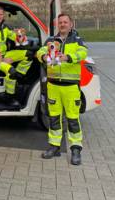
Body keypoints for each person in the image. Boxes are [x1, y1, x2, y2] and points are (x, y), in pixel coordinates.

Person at [36, 13, 88, 165]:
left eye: (65, 22)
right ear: (57, 25)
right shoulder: (51, 40)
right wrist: (44, 57)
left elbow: (83, 53)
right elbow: (39, 51)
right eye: (60, 22)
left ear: (71, 24)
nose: (63, 24)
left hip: (70, 86)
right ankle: (54, 146)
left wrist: (68, 57)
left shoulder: (77, 40)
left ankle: (76, 149)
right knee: (54, 118)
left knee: (73, 119)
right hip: (53, 85)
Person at [0, 6, 33, 108]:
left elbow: (16, 39)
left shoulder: (5, 27)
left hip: (4, 55)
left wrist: (20, 35)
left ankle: (20, 74)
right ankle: (9, 98)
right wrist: (1, 59)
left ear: (3, 15)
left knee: (29, 55)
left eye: (1, 14)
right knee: (11, 72)